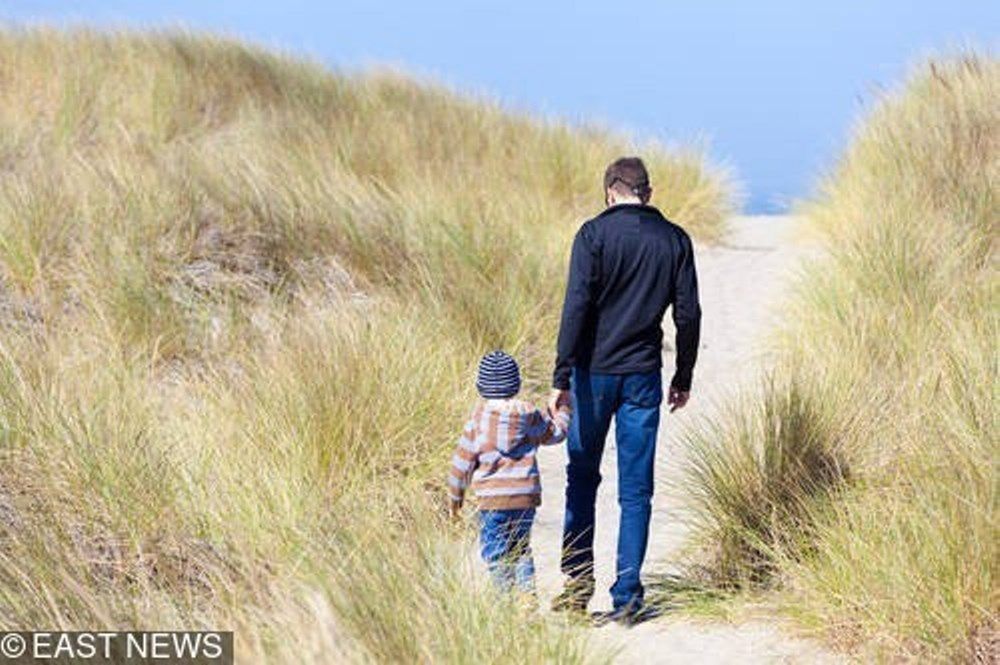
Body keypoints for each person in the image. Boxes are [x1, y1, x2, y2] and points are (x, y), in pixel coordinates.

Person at [549, 157, 701, 623]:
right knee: (636, 490)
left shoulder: (592, 235)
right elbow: (688, 315)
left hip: (592, 375)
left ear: (610, 192)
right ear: (648, 193)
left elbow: (576, 306)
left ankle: (577, 589)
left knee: (582, 478)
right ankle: (628, 596)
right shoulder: (674, 239)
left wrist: (560, 377)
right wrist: (684, 376)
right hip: (641, 376)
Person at [448, 350, 572, 594]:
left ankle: (504, 601)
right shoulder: (530, 415)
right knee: (522, 548)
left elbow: (460, 467)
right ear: (516, 384)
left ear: (480, 387)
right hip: (525, 498)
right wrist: (564, 409)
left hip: (492, 501)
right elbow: (556, 434)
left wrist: (455, 502)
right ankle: (527, 596)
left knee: (496, 552)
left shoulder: (477, 421)